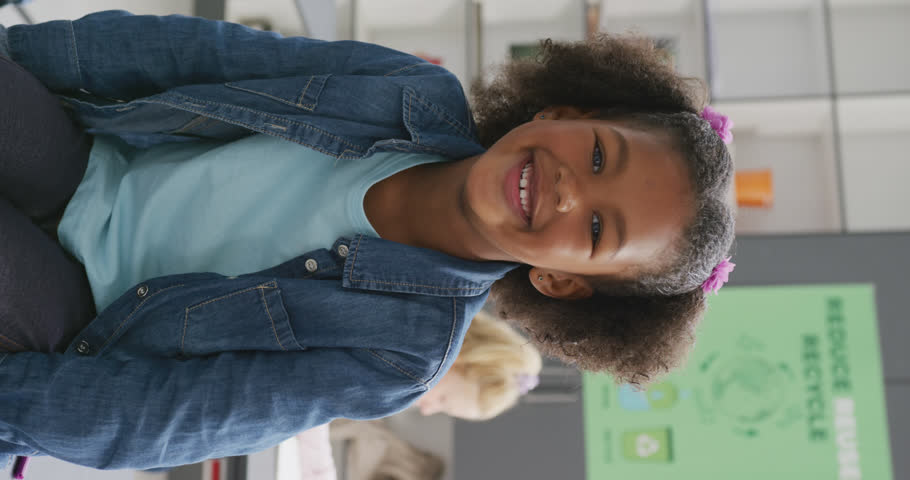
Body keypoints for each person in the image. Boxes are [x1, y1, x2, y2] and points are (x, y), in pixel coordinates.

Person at [0, 10, 735, 470]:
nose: (573, 191)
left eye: (599, 230)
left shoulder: (402, 353)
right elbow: (192, 51)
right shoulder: (413, 91)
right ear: (563, 112)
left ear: (562, 282)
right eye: (600, 155)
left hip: (85, 309)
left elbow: (171, 418)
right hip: (89, 162)